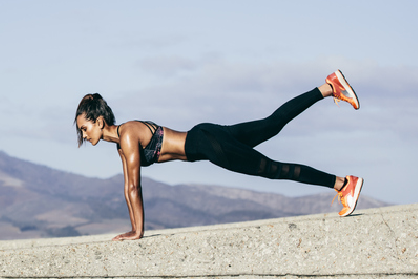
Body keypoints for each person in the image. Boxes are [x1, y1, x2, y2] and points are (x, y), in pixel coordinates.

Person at [74, 70, 364, 241]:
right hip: (206, 138)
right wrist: (134, 229)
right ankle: (329, 87)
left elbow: (134, 187)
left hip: (208, 144)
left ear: (99, 121)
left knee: (273, 169)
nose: (84, 136)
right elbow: (128, 188)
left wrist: (136, 232)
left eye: (85, 129)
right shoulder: (122, 144)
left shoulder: (127, 135)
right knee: (271, 124)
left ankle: (343, 184)